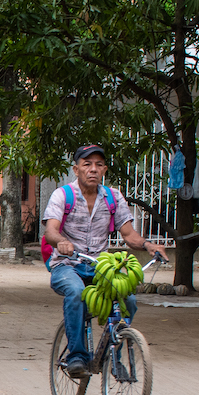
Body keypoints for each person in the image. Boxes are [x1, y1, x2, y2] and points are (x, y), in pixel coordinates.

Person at [42, 143, 165, 379]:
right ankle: (77, 356)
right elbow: (51, 231)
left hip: (100, 267)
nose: (93, 169)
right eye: (87, 164)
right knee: (76, 292)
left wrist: (148, 245)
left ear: (104, 170)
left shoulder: (113, 197)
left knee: (129, 301)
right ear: (76, 169)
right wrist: (62, 242)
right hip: (67, 265)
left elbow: (129, 235)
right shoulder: (63, 195)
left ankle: (112, 358)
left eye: (98, 165)